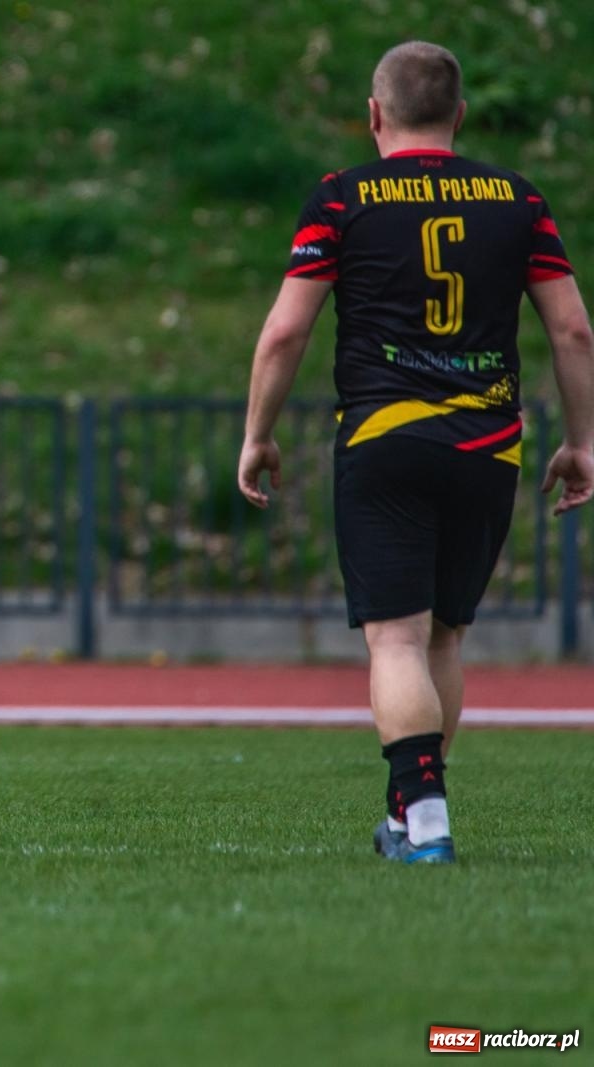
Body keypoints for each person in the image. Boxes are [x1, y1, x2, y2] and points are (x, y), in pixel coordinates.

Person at [237, 41, 594, 863]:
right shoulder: (517, 199)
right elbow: (573, 328)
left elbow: (287, 328)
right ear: (458, 116)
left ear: (374, 115)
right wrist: (579, 441)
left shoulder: (341, 198)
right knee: (444, 639)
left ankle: (423, 820)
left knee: (394, 641)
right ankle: (412, 813)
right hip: (486, 445)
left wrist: (259, 433)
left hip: (384, 438)